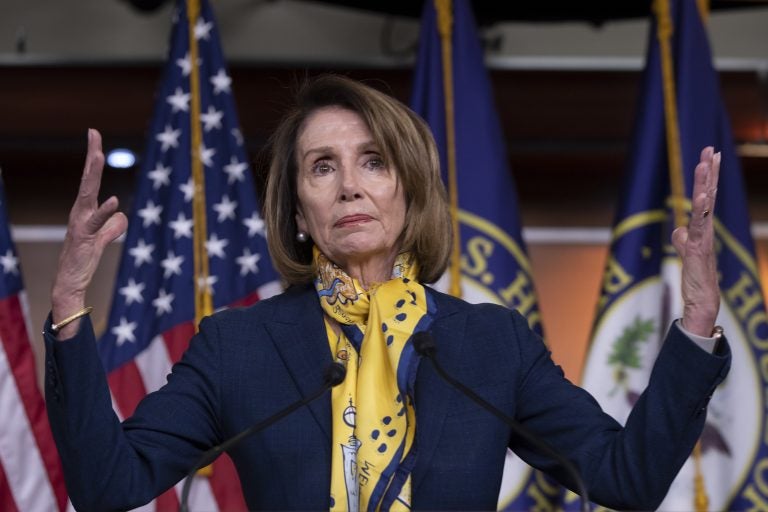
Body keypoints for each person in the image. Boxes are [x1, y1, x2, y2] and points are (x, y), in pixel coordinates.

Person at [45, 75, 730, 511]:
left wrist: (697, 321)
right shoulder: (238, 347)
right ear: (296, 210)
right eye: (323, 167)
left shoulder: (491, 343)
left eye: (373, 161)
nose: (350, 185)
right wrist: (72, 303)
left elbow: (627, 477)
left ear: (408, 189)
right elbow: (110, 485)